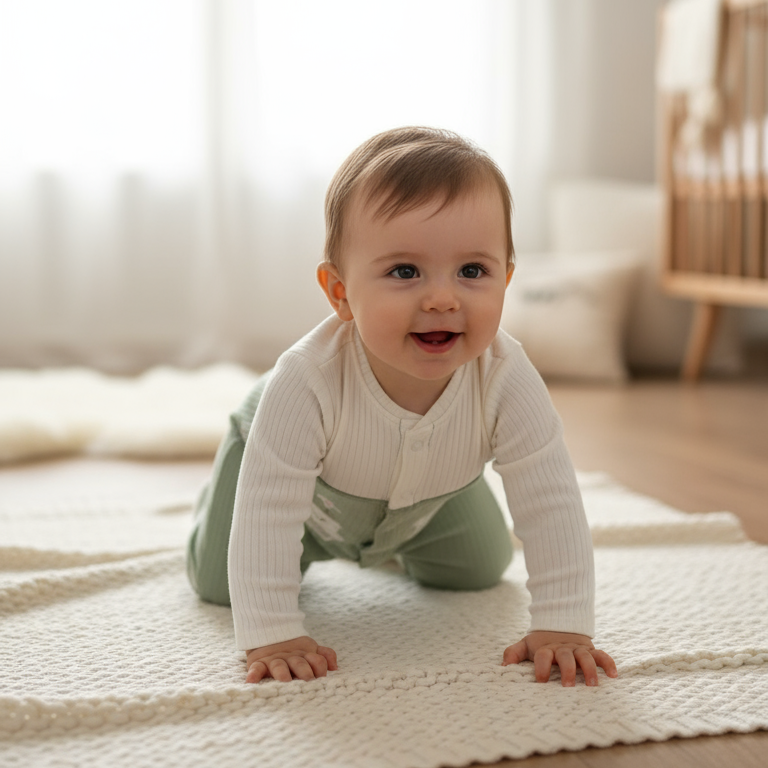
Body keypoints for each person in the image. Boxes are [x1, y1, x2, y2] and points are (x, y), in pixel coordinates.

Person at [186, 126, 618, 688]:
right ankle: (216, 501)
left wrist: (564, 626)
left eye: (473, 271)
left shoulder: (508, 377)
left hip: (426, 498)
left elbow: (550, 497)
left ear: (506, 280)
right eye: (405, 272)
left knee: (482, 569)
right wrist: (274, 632)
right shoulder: (305, 380)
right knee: (222, 584)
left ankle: (392, 541)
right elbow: (270, 511)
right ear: (340, 292)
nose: (442, 298)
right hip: (297, 492)